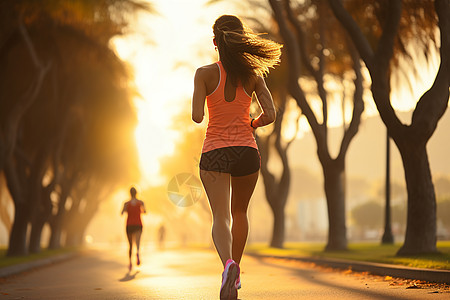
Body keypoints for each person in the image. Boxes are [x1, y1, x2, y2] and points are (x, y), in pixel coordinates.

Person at [192, 15, 282, 300]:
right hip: (246, 152)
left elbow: (197, 117)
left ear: (216, 42)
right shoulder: (253, 75)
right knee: (239, 212)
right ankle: (237, 268)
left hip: (215, 152)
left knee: (220, 216)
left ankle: (227, 265)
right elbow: (270, 114)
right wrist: (252, 124)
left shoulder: (204, 73)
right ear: (241, 40)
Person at [121, 186, 146, 271]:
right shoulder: (140, 202)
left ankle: (130, 263)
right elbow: (145, 211)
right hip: (138, 224)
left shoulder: (126, 203)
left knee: (130, 244)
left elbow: (122, 212)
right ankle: (137, 253)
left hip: (129, 225)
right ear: (136, 193)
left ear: (130, 193)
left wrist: (127, 210)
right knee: (137, 242)